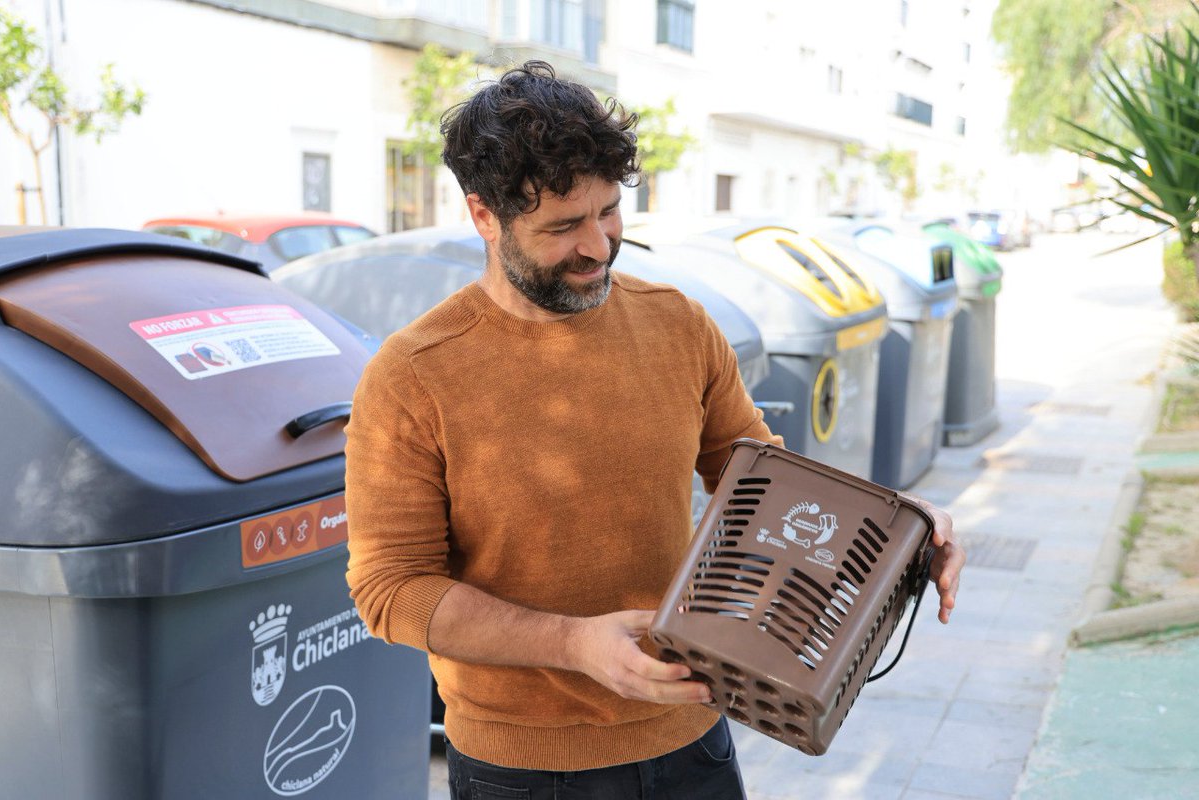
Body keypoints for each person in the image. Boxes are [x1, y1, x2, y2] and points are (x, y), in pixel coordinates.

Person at [344, 61, 965, 800]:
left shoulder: (678, 323)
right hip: (523, 771)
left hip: (693, 736)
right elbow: (391, 589)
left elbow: (760, 480)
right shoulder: (412, 375)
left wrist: (896, 525)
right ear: (484, 216)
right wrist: (573, 644)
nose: (599, 247)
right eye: (563, 226)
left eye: (608, 211)